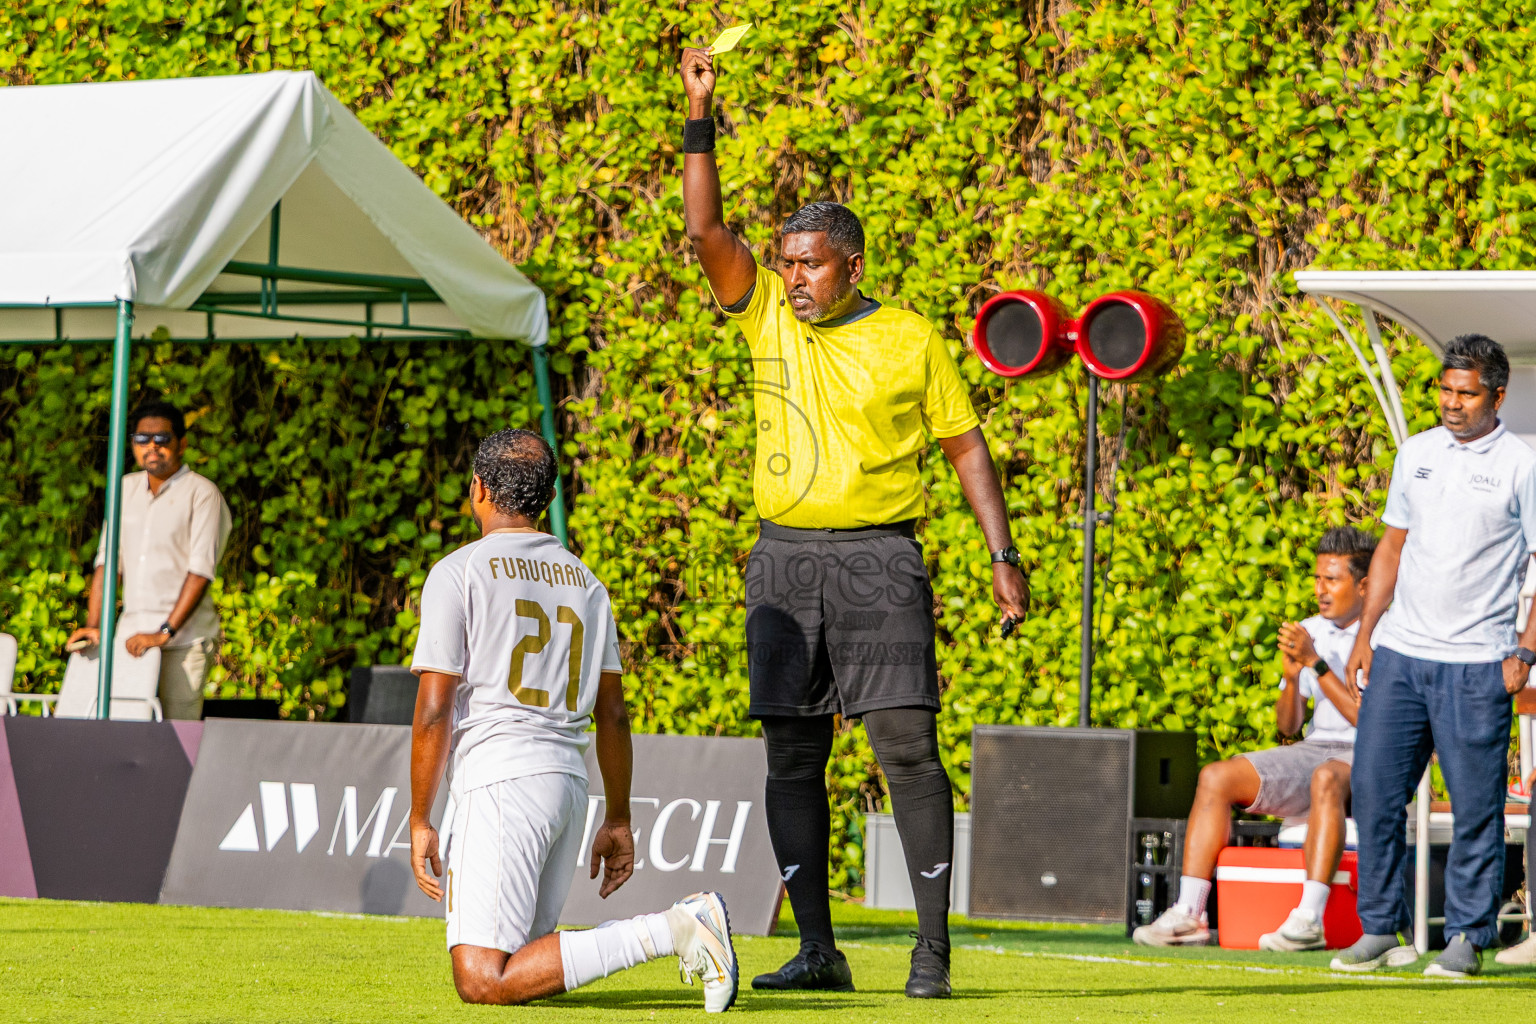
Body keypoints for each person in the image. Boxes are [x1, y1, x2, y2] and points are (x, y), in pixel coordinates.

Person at [679, 49, 1029, 999]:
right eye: (785, 263)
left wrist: (1002, 553)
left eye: (810, 264)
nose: (792, 278)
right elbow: (704, 225)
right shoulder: (763, 317)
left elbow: (965, 448)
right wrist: (698, 113)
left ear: (852, 266)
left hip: (883, 561)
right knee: (793, 755)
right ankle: (818, 950)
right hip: (784, 565)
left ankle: (931, 951)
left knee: (907, 750)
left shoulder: (911, 335)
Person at [408, 428, 738, 1011]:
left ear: (478, 489)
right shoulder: (587, 582)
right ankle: (681, 928)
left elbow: (435, 706)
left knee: (484, 978)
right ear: (547, 495)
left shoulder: (459, 571)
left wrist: (418, 816)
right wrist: (617, 816)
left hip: (502, 779)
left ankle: (681, 927)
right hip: (567, 783)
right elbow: (613, 713)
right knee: (522, 972)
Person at [1335, 334, 1536, 978]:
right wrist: (1367, 634)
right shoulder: (1416, 452)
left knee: (1477, 807)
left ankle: (1467, 939)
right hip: (1399, 655)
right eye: (1445, 389)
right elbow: (1392, 548)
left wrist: (1526, 652)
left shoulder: (1522, 464)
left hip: (1480, 663)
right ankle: (1380, 930)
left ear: (1496, 396)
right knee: (1373, 792)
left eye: (1466, 393)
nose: (1452, 403)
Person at [1133, 527, 1376, 950]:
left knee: (1326, 778)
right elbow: (1288, 728)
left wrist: (1315, 663)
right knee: (1215, 776)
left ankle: (1309, 919)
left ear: (1364, 584)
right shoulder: (1308, 629)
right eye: (1317, 578)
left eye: (1332, 580)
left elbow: (1370, 722)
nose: (1320, 589)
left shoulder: (1386, 632)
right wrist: (1290, 677)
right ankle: (1190, 912)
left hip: (1370, 753)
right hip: (1316, 751)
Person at [67, 400, 231, 720]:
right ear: (132, 444)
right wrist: (93, 625)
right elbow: (108, 563)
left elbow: (200, 571)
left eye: (162, 438)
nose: (152, 446)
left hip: (184, 642)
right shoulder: (124, 488)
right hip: (131, 641)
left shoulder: (203, 493)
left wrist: (164, 632)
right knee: (125, 734)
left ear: (181, 444)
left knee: (176, 739)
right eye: (142, 439)